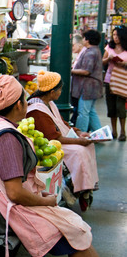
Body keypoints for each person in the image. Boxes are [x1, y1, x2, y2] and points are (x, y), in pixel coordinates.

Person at [0, 74, 127, 257]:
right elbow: (14, 192)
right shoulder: (7, 139)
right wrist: (46, 200)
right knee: (72, 230)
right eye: (25, 99)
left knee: (74, 225)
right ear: (17, 105)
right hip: (1, 217)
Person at [27, 70, 98, 212]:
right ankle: (77, 189)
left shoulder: (49, 103)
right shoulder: (37, 109)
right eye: (60, 90)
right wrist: (79, 141)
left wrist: (79, 132)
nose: (61, 92)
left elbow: (62, 123)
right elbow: (53, 137)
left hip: (59, 140)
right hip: (50, 145)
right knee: (79, 151)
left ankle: (85, 188)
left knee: (87, 147)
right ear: (52, 91)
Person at [71, 29, 104, 133]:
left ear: (88, 40)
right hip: (93, 87)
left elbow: (86, 71)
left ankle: (81, 134)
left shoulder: (90, 52)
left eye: (84, 38)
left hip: (88, 88)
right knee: (91, 111)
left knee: (83, 112)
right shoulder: (96, 50)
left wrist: (71, 70)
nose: (83, 40)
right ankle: (101, 134)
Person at [102, 26, 127, 141]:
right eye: (114, 35)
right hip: (109, 80)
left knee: (121, 106)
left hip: (123, 81)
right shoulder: (109, 47)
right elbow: (102, 61)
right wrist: (109, 59)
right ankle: (114, 131)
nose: (116, 38)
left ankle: (123, 130)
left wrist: (124, 64)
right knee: (111, 106)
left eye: (118, 35)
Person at [70, 34, 86, 125]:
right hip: (77, 88)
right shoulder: (79, 54)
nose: (72, 48)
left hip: (81, 88)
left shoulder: (84, 53)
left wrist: (71, 70)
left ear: (80, 44)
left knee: (81, 111)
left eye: (73, 45)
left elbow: (86, 71)